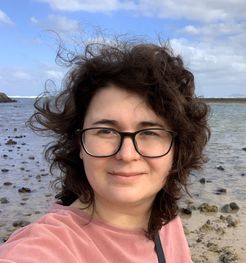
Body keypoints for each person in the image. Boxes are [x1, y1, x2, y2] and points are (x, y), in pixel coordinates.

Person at [0, 38, 210, 263]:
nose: (127, 154)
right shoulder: (43, 249)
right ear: (79, 143)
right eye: (105, 131)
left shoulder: (166, 220)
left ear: (177, 149)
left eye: (150, 132)